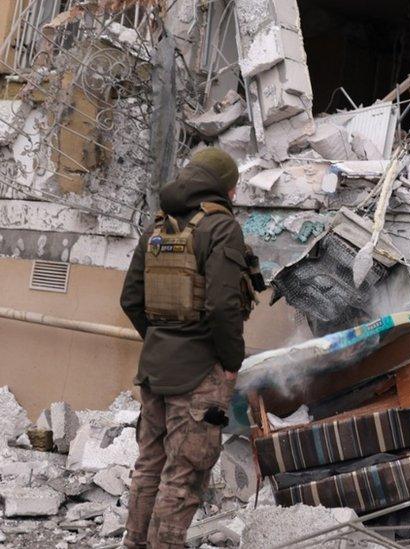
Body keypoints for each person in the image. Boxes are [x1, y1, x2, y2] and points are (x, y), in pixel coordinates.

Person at [120, 148, 257, 548]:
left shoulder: (157, 227)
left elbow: (130, 300)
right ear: (224, 187)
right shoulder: (221, 227)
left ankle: (135, 543)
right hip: (199, 375)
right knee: (184, 476)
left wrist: (163, 340)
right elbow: (221, 305)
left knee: (149, 464)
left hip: (155, 370)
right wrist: (230, 362)